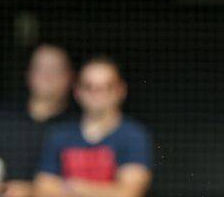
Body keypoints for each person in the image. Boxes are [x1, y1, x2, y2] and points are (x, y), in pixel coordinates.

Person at [0, 44, 76, 197]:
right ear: (29, 74)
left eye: (55, 69)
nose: (47, 75)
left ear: (69, 76)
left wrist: (33, 192)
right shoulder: (3, 116)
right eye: (40, 68)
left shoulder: (79, 126)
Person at [34, 56, 152, 197]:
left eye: (106, 87)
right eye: (89, 86)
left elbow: (128, 193)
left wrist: (74, 187)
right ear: (78, 91)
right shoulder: (60, 134)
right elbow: (42, 189)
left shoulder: (133, 136)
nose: (97, 94)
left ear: (121, 90)